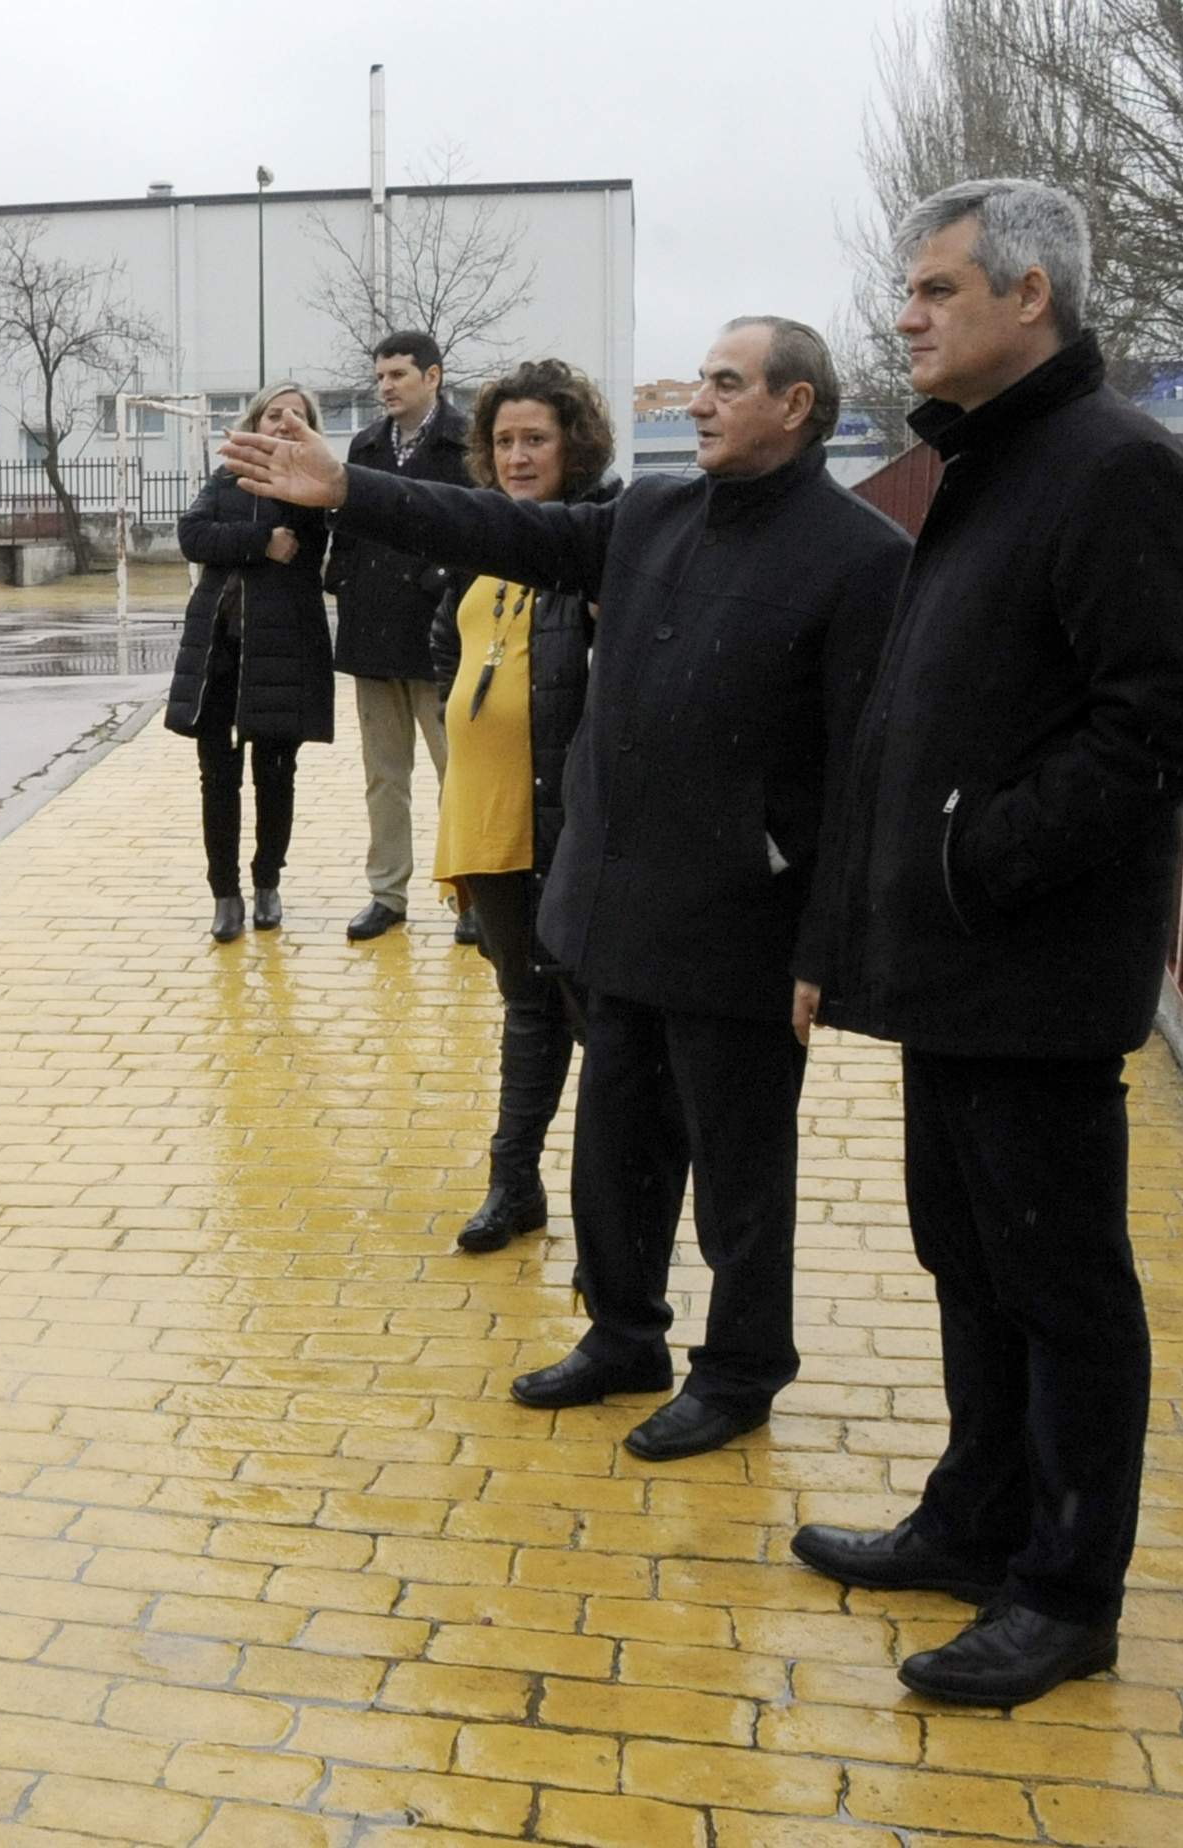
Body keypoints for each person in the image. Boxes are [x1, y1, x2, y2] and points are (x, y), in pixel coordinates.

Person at [221, 317, 909, 1464]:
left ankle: (740, 1372)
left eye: (726, 384)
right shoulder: (654, 515)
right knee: (616, 1147)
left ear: (796, 406)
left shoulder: (861, 557)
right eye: (701, 381)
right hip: (616, 903)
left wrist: (826, 946)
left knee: (739, 1172)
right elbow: (497, 524)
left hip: (745, 921)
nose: (697, 402)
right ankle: (624, 1336)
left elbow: (866, 773)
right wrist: (348, 490)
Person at [787, 179, 1183, 1707]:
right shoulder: (991, 460)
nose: (905, 315)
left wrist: (984, 856)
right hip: (955, 968)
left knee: (1060, 1286)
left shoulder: (1114, 467)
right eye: (908, 292)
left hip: (1035, 969)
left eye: (935, 290)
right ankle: (974, 1523)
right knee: (967, 1258)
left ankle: (1064, 1592)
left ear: (1028, 294)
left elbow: (1172, 715)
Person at [426, 359, 619, 1253]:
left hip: (569, 830)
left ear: (574, 444)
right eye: (503, 440)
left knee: (602, 1028)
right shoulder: (488, 540)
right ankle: (515, 1186)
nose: (516, 456)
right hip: (489, 820)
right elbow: (450, 645)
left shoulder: (599, 542)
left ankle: (617, 1230)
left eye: (535, 438)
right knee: (527, 1005)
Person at [166, 384, 336, 942]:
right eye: (273, 414)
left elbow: (309, 551)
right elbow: (192, 535)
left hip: (284, 649)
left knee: (276, 774)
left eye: (297, 415)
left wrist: (262, 539)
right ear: (255, 421)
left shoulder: (315, 487)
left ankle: (267, 883)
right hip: (220, 651)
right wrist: (261, 540)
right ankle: (225, 893)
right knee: (217, 777)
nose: (284, 423)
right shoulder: (225, 479)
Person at [323, 330, 473, 940]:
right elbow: (347, 525)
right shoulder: (364, 445)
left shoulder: (467, 444)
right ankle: (387, 894)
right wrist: (344, 582)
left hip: (443, 635)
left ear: (432, 377)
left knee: (457, 773)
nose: (385, 386)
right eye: (380, 376)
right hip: (374, 634)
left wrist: (442, 583)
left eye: (398, 375)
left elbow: (479, 530)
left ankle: (470, 897)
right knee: (384, 776)